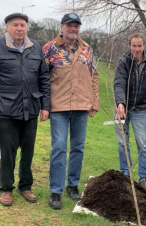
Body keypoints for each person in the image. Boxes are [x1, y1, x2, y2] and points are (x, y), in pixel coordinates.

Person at [0, 13, 51, 207]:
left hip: (31, 110)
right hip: (5, 110)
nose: (19, 28)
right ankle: (5, 189)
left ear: (26, 27)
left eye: (22, 25)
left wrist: (45, 106)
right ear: (7, 27)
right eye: (15, 25)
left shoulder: (35, 47)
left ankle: (26, 186)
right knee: (8, 152)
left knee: (28, 152)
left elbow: (44, 78)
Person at [42, 13, 99, 210]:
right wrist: (44, 105)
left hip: (81, 106)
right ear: (62, 27)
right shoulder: (49, 49)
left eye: (76, 26)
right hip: (58, 107)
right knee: (58, 147)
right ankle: (55, 191)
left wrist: (95, 101)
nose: (73, 29)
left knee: (78, 147)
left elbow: (94, 76)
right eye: (69, 25)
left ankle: (72, 185)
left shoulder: (87, 50)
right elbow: (42, 79)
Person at [114, 33, 146, 191]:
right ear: (129, 46)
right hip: (122, 109)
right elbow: (118, 83)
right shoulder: (123, 62)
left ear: (144, 46)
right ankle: (126, 174)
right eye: (134, 46)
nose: (137, 49)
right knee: (122, 143)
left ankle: (144, 178)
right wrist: (120, 103)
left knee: (142, 144)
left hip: (140, 109)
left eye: (139, 45)